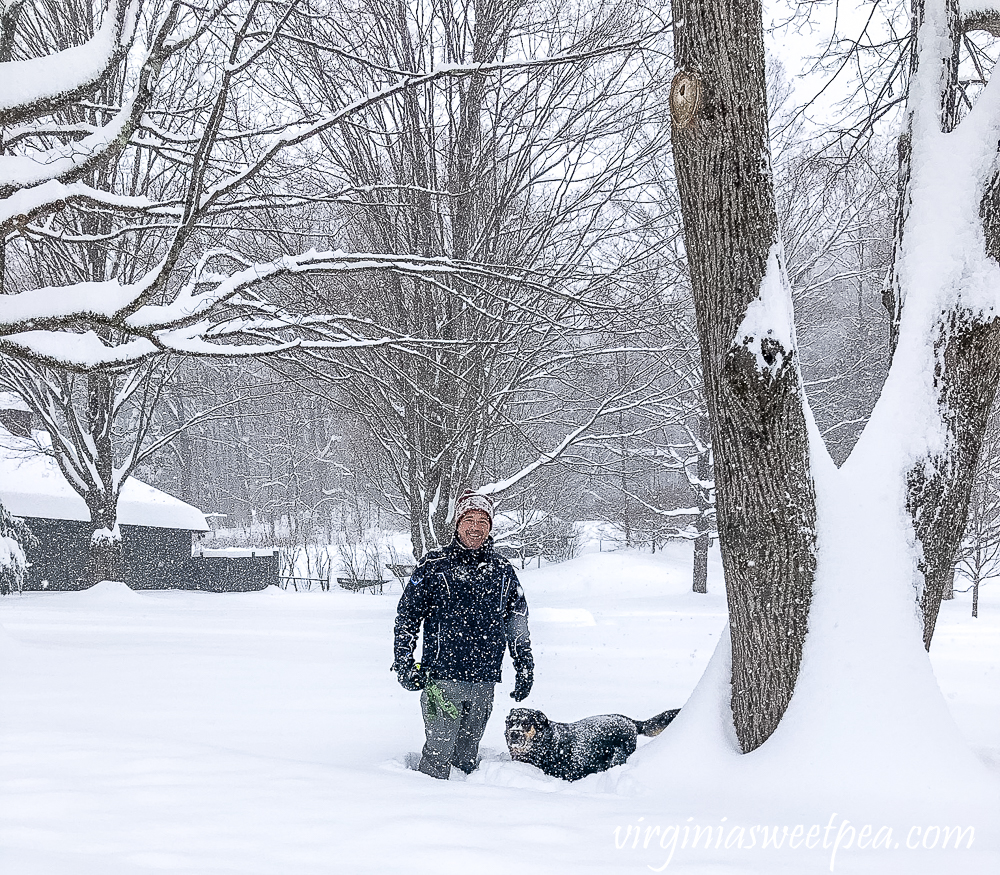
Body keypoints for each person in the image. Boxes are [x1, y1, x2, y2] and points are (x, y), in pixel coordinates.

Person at [393, 490, 533, 779]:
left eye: (483, 521)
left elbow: (517, 623)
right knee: (437, 757)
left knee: (467, 758)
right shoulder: (433, 566)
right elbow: (406, 618)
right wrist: (404, 663)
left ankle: (466, 818)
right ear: (456, 524)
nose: (475, 527)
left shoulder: (502, 571)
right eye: (468, 519)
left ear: (491, 527)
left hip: (483, 681)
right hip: (441, 681)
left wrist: (525, 666)